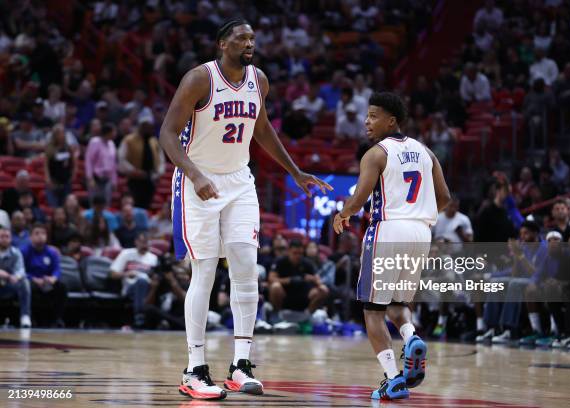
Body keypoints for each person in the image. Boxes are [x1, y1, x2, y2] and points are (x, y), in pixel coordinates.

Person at [158, 19, 332, 400]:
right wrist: (194, 173)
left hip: (239, 181)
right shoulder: (199, 79)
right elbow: (167, 134)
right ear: (223, 43)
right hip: (196, 182)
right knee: (204, 271)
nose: (249, 43)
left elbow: (263, 128)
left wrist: (296, 171)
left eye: (253, 38)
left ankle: (240, 365)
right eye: (241, 38)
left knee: (245, 269)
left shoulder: (259, 80)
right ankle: (194, 369)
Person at [333, 92, 451, 400]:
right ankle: (411, 337)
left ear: (392, 121)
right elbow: (446, 198)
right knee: (398, 305)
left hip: (388, 230)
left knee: (373, 311)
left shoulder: (376, 154)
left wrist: (342, 214)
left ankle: (393, 378)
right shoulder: (427, 152)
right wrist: (419, 214)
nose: (367, 122)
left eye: (373, 116)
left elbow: (359, 200)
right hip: (420, 233)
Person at [21, 223, 67, 327]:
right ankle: (31, 318)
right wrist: (33, 279)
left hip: (47, 282)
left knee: (61, 287)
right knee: (26, 286)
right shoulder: (24, 251)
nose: (40, 236)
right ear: (30, 237)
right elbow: (21, 271)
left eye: (43, 233)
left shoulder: (52, 252)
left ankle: (57, 319)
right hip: (31, 281)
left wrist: (53, 278)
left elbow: (57, 269)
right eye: (37, 233)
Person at [110, 232, 158, 328]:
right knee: (141, 282)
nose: (145, 245)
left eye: (147, 242)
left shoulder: (154, 258)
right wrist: (126, 273)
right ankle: (139, 315)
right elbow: (112, 274)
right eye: (142, 242)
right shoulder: (126, 253)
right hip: (130, 287)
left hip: (148, 288)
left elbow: (155, 278)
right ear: (136, 242)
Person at [268, 239, 329, 314]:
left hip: (304, 295)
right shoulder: (280, 261)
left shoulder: (307, 263)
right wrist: (289, 280)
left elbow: (317, 279)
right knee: (275, 286)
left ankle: (307, 316)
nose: (298, 256)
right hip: (285, 295)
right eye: (295, 253)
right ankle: (277, 315)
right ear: (288, 251)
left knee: (324, 290)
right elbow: (271, 279)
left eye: (300, 253)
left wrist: (314, 280)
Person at [118, 116, 165, 209]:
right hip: (135, 179)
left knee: (146, 205)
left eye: (149, 127)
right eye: (145, 126)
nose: (148, 129)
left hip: (150, 179)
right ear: (140, 127)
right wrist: (133, 171)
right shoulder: (129, 140)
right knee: (135, 204)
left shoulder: (153, 141)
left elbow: (161, 159)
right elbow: (121, 158)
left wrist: (158, 173)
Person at [0, 226, 31, 328]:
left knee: (24, 282)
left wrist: (16, 277)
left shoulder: (16, 252)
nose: (4, 239)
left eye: (7, 236)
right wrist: (7, 275)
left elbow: (21, 270)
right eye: (1, 236)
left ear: (11, 238)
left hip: (9, 284)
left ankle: (25, 316)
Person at [44, 124, 77, 207]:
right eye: (59, 133)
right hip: (54, 180)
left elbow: (74, 162)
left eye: (62, 133)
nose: (61, 135)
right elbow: (46, 165)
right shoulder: (50, 148)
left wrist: (73, 174)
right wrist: (48, 179)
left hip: (66, 181)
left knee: (66, 205)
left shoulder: (68, 148)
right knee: (54, 206)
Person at [85, 123, 118, 206]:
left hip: (107, 179)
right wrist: (90, 178)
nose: (115, 134)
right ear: (108, 132)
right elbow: (89, 160)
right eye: (114, 132)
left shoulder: (112, 144)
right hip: (96, 178)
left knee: (106, 203)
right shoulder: (95, 142)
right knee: (94, 203)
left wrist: (114, 181)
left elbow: (113, 164)